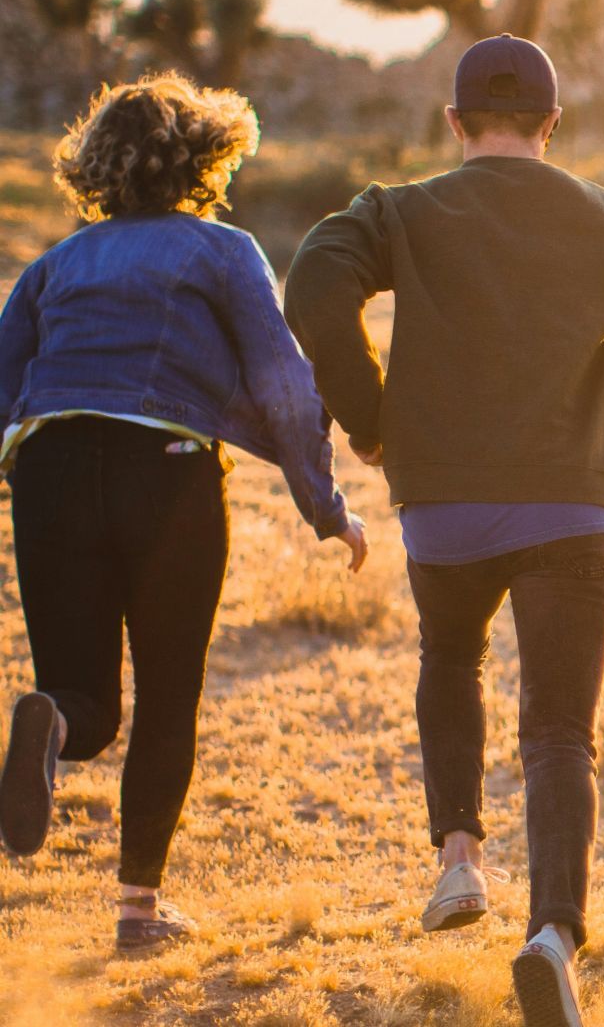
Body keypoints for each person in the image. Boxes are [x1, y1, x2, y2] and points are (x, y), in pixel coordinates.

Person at [284, 35, 604, 1027]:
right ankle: (554, 936)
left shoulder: (402, 209)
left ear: (455, 123)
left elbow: (313, 284)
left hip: (443, 504)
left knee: (450, 656)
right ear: (552, 125)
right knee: (560, 726)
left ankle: (459, 863)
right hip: (570, 500)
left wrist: (375, 418)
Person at [0, 74, 367, 953]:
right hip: (162, 468)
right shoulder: (223, 250)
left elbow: (4, 378)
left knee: (86, 699)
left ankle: (48, 717)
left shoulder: (54, 262)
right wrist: (327, 506)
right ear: (208, 157)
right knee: (169, 694)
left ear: (97, 165)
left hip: (47, 461)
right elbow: (283, 382)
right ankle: (137, 912)